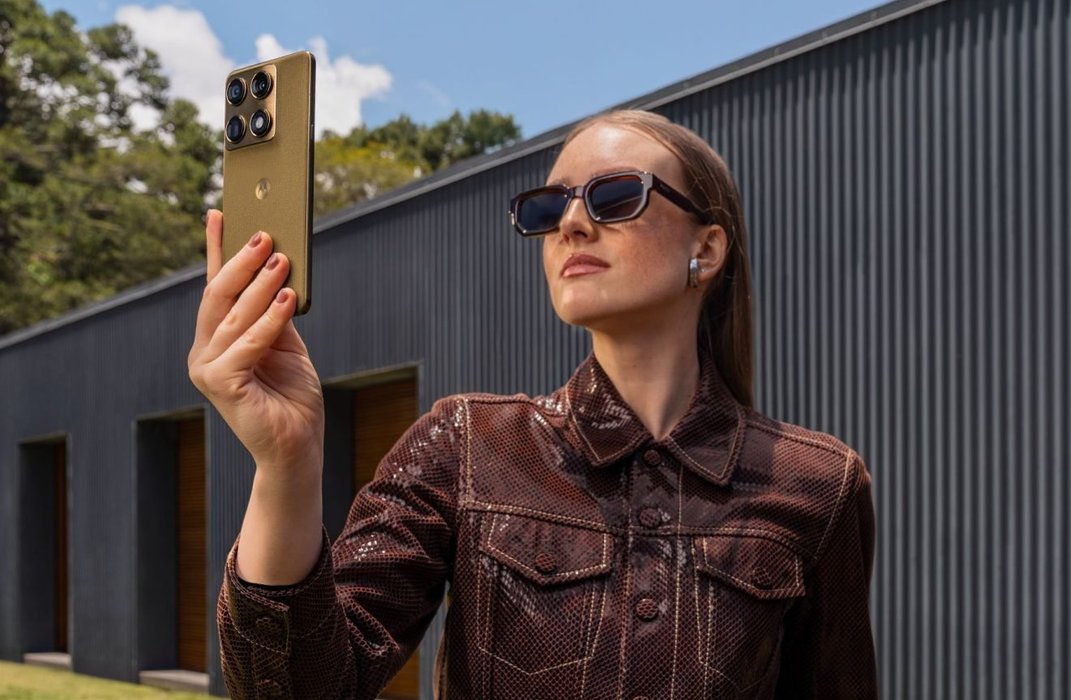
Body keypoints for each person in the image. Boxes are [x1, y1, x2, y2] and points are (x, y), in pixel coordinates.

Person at [188, 109, 877, 699]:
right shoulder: (465, 445)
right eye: (549, 208)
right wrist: (285, 465)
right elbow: (305, 687)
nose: (571, 225)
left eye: (613, 198)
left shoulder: (819, 484)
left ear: (706, 247)